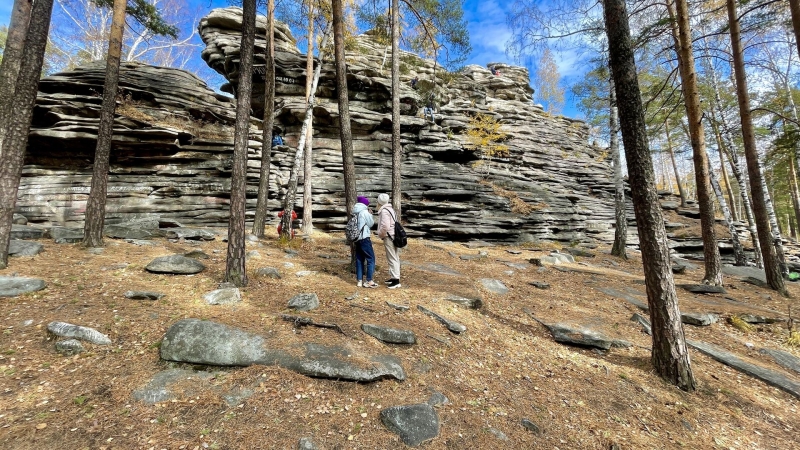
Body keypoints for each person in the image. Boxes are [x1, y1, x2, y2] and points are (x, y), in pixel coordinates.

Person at [376, 193, 401, 289]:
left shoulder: (384, 211)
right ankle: (394, 278)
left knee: (392, 258)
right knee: (394, 257)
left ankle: (396, 280)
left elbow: (385, 226)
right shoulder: (390, 209)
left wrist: (380, 234)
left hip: (389, 236)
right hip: (393, 235)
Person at [353, 196, 378, 288]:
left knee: (359, 259)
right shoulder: (364, 212)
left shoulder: (355, 211)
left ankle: (359, 281)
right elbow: (371, 224)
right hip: (364, 238)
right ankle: (369, 280)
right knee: (371, 259)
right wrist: (370, 214)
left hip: (357, 238)